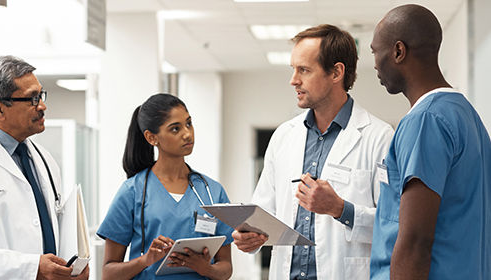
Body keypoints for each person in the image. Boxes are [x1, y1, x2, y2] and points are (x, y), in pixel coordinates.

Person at [231, 25, 394, 280]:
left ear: (336, 72)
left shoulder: (378, 137)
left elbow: (394, 224)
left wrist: (340, 209)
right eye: (293, 69)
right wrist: (251, 236)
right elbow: (265, 212)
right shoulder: (284, 136)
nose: (293, 80)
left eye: (304, 70)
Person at [370, 4, 491, 280]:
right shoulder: (466, 115)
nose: (375, 63)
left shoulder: (425, 120)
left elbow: (415, 241)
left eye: (376, 52)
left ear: (399, 51)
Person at [0, 56, 89, 280]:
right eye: (32, 98)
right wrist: (31, 268)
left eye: (40, 95)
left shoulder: (44, 160)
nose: (42, 105)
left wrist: (70, 268)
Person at [97, 93, 233, 279]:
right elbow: (108, 273)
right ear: (152, 138)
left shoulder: (212, 192)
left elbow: (226, 268)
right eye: (175, 129)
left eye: (189, 123)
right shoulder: (133, 192)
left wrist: (205, 268)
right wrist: (146, 260)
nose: (187, 133)